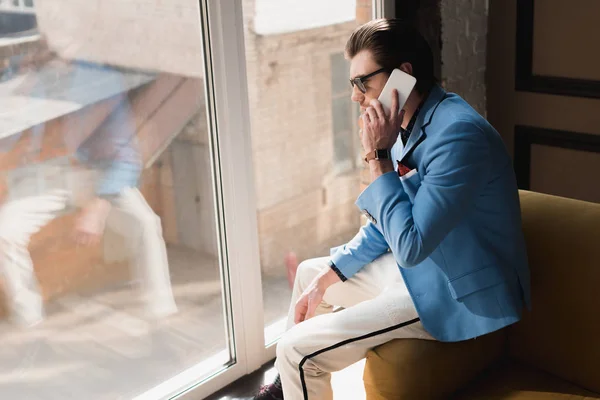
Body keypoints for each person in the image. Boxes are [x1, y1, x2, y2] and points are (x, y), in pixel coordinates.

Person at [253, 18, 531, 400]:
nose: (355, 96)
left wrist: (377, 157)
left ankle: (293, 372)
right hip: (421, 267)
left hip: (457, 287)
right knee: (308, 276)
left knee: (296, 349)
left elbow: (411, 246)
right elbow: (391, 220)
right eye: (353, 84)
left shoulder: (458, 136)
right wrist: (332, 273)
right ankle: (285, 390)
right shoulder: (410, 123)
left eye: (362, 82)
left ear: (403, 75)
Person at [0, 59, 177, 327]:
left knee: (146, 224)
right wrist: (16, 97)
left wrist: (98, 205)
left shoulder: (100, 82)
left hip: (97, 173)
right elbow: (7, 140)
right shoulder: (28, 81)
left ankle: (161, 311)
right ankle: (29, 320)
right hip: (45, 176)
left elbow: (127, 157)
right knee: (4, 233)